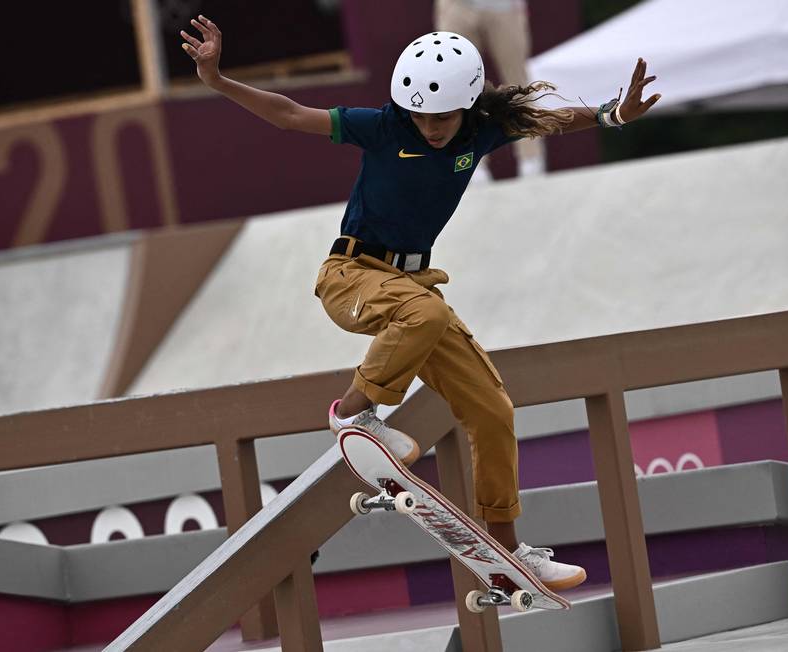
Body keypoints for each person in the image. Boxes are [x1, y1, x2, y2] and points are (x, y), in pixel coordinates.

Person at [181, 15, 659, 592]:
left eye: (442, 117)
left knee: (492, 408)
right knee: (425, 313)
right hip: (351, 274)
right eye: (422, 116)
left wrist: (611, 114)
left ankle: (509, 556)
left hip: (413, 291)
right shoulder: (384, 128)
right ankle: (353, 413)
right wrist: (218, 80)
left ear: (468, 106)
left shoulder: (483, 130)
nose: (430, 127)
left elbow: (549, 120)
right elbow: (290, 114)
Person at [435, 0, 543, 180]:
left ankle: (531, 158)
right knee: (460, 82)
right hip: (457, 6)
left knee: (518, 82)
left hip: (503, 6)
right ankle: (471, 163)